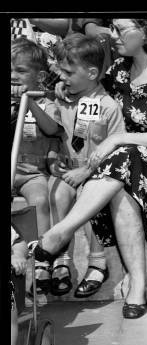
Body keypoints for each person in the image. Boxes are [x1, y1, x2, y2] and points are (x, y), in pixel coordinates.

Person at [31, 19, 147, 319]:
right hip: (122, 169)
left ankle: (62, 230)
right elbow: (90, 96)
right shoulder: (117, 72)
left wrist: (120, 138)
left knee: (125, 156)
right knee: (121, 188)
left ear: (146, 33)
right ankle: (137, 283)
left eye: (122, 30)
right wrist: (64, 89)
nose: (113, 34)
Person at [48, 33, 126, 298]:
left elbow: (117, 148)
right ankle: (61, 260)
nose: (63, 78)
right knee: (56, 194)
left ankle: (97, 261)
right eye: (61, 72)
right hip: (67, 167)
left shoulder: (108, 106)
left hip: (96, 171)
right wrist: (53, 159)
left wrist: (87, 171)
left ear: (92, 73)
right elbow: (54, 132)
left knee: (87, 199)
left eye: (69, 72)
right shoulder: (62, 98)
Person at [10, 39, 63, 295]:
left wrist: (28, 102)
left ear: (40, 76)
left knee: (40, 200)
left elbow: (52, 129)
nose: (12, 76)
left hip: (32, 173)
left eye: (20, 71)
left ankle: (40, 255)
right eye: (10, 70)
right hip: (11, 168)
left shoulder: (45, 102)